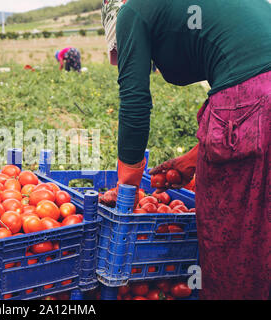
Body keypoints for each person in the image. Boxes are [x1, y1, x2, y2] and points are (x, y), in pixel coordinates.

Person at [100, 0, 270, 300]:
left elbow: (134, 102)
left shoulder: (132, 10)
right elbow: (247, 76)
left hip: (252, 100)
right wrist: (196, 157)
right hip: (255, 101)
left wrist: (126, 185)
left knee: (232, 242)